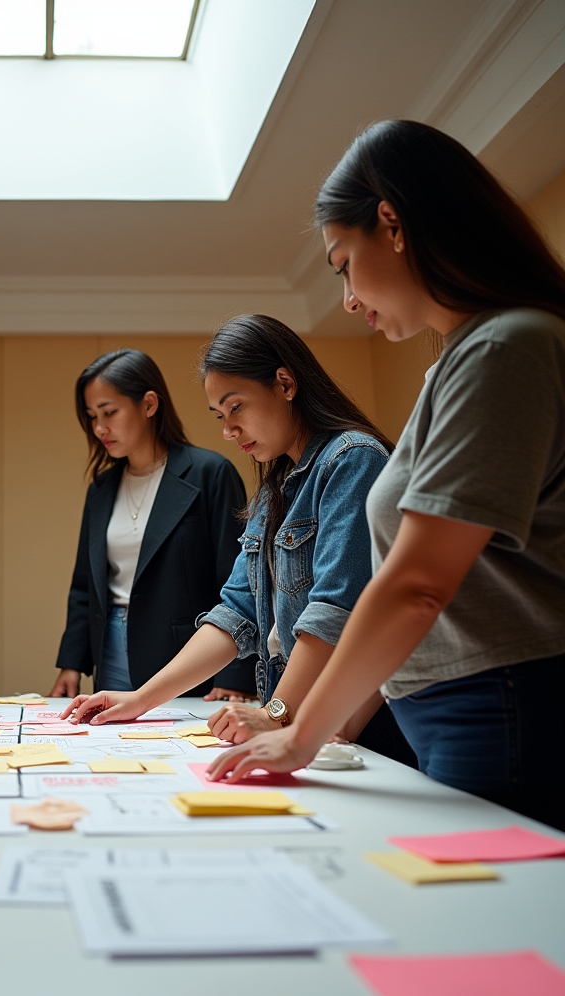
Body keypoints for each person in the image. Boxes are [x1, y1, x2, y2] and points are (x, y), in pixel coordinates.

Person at [207, 120, 565, 831]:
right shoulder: (465, 359)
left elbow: (416, 582)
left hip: (501, 700)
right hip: (461, 703)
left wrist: (299, 731)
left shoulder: (507, 346)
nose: (345, 297)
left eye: (342, 262)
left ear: (392, 225)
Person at [63, 319, 415, 767]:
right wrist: (141, 699)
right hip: (304, 725)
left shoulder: (351, 460)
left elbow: (334, 612)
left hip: (357, 724)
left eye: (236, 408)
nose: (228, 430)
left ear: (285, 383)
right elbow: (236, 612)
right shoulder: (274, 489)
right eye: (219, 416)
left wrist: (275, 714)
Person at [52, 349, 256, 700]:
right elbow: (85, 585)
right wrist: (72, 663)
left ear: (148, 404)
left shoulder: (211, 473)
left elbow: (239, 578)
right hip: (110, 649)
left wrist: (234, 675)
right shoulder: (101, 488)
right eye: (91, 417)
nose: (99, 428)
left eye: (109, 412)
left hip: (187, 655)